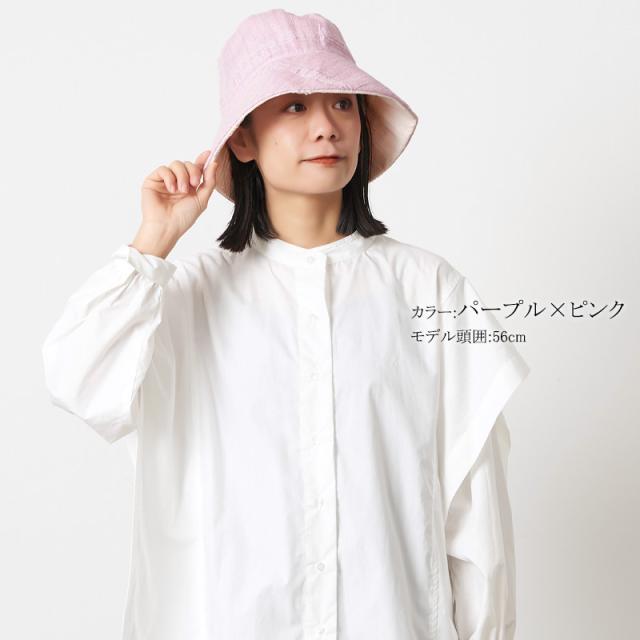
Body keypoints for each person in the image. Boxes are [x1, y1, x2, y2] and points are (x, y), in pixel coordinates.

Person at [41, 9, 530, 640]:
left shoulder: (431, 290)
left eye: (343, 104)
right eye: (294, 106)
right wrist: (152, 243)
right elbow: (75, 380)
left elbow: (475, 507)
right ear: (242, 139)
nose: (327, 126)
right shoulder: (183, 298)